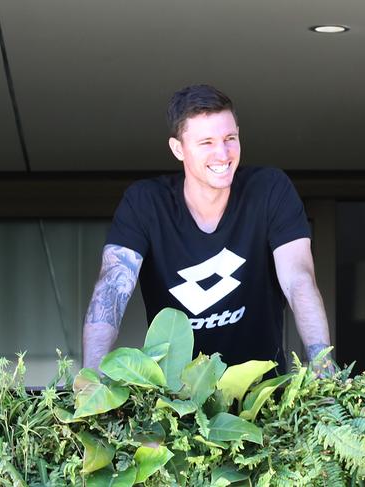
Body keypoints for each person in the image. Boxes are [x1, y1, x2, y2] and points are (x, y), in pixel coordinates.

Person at [83, 84, 331, 373]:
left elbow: (298, 279)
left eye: (230, 138)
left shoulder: (269, 190)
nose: (222, 153)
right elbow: (112, 287)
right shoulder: (146, 203)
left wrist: (322, 366)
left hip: (262, 399)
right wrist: (91, 378)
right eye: (206, 143)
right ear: (178, 149)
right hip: (176, 403)